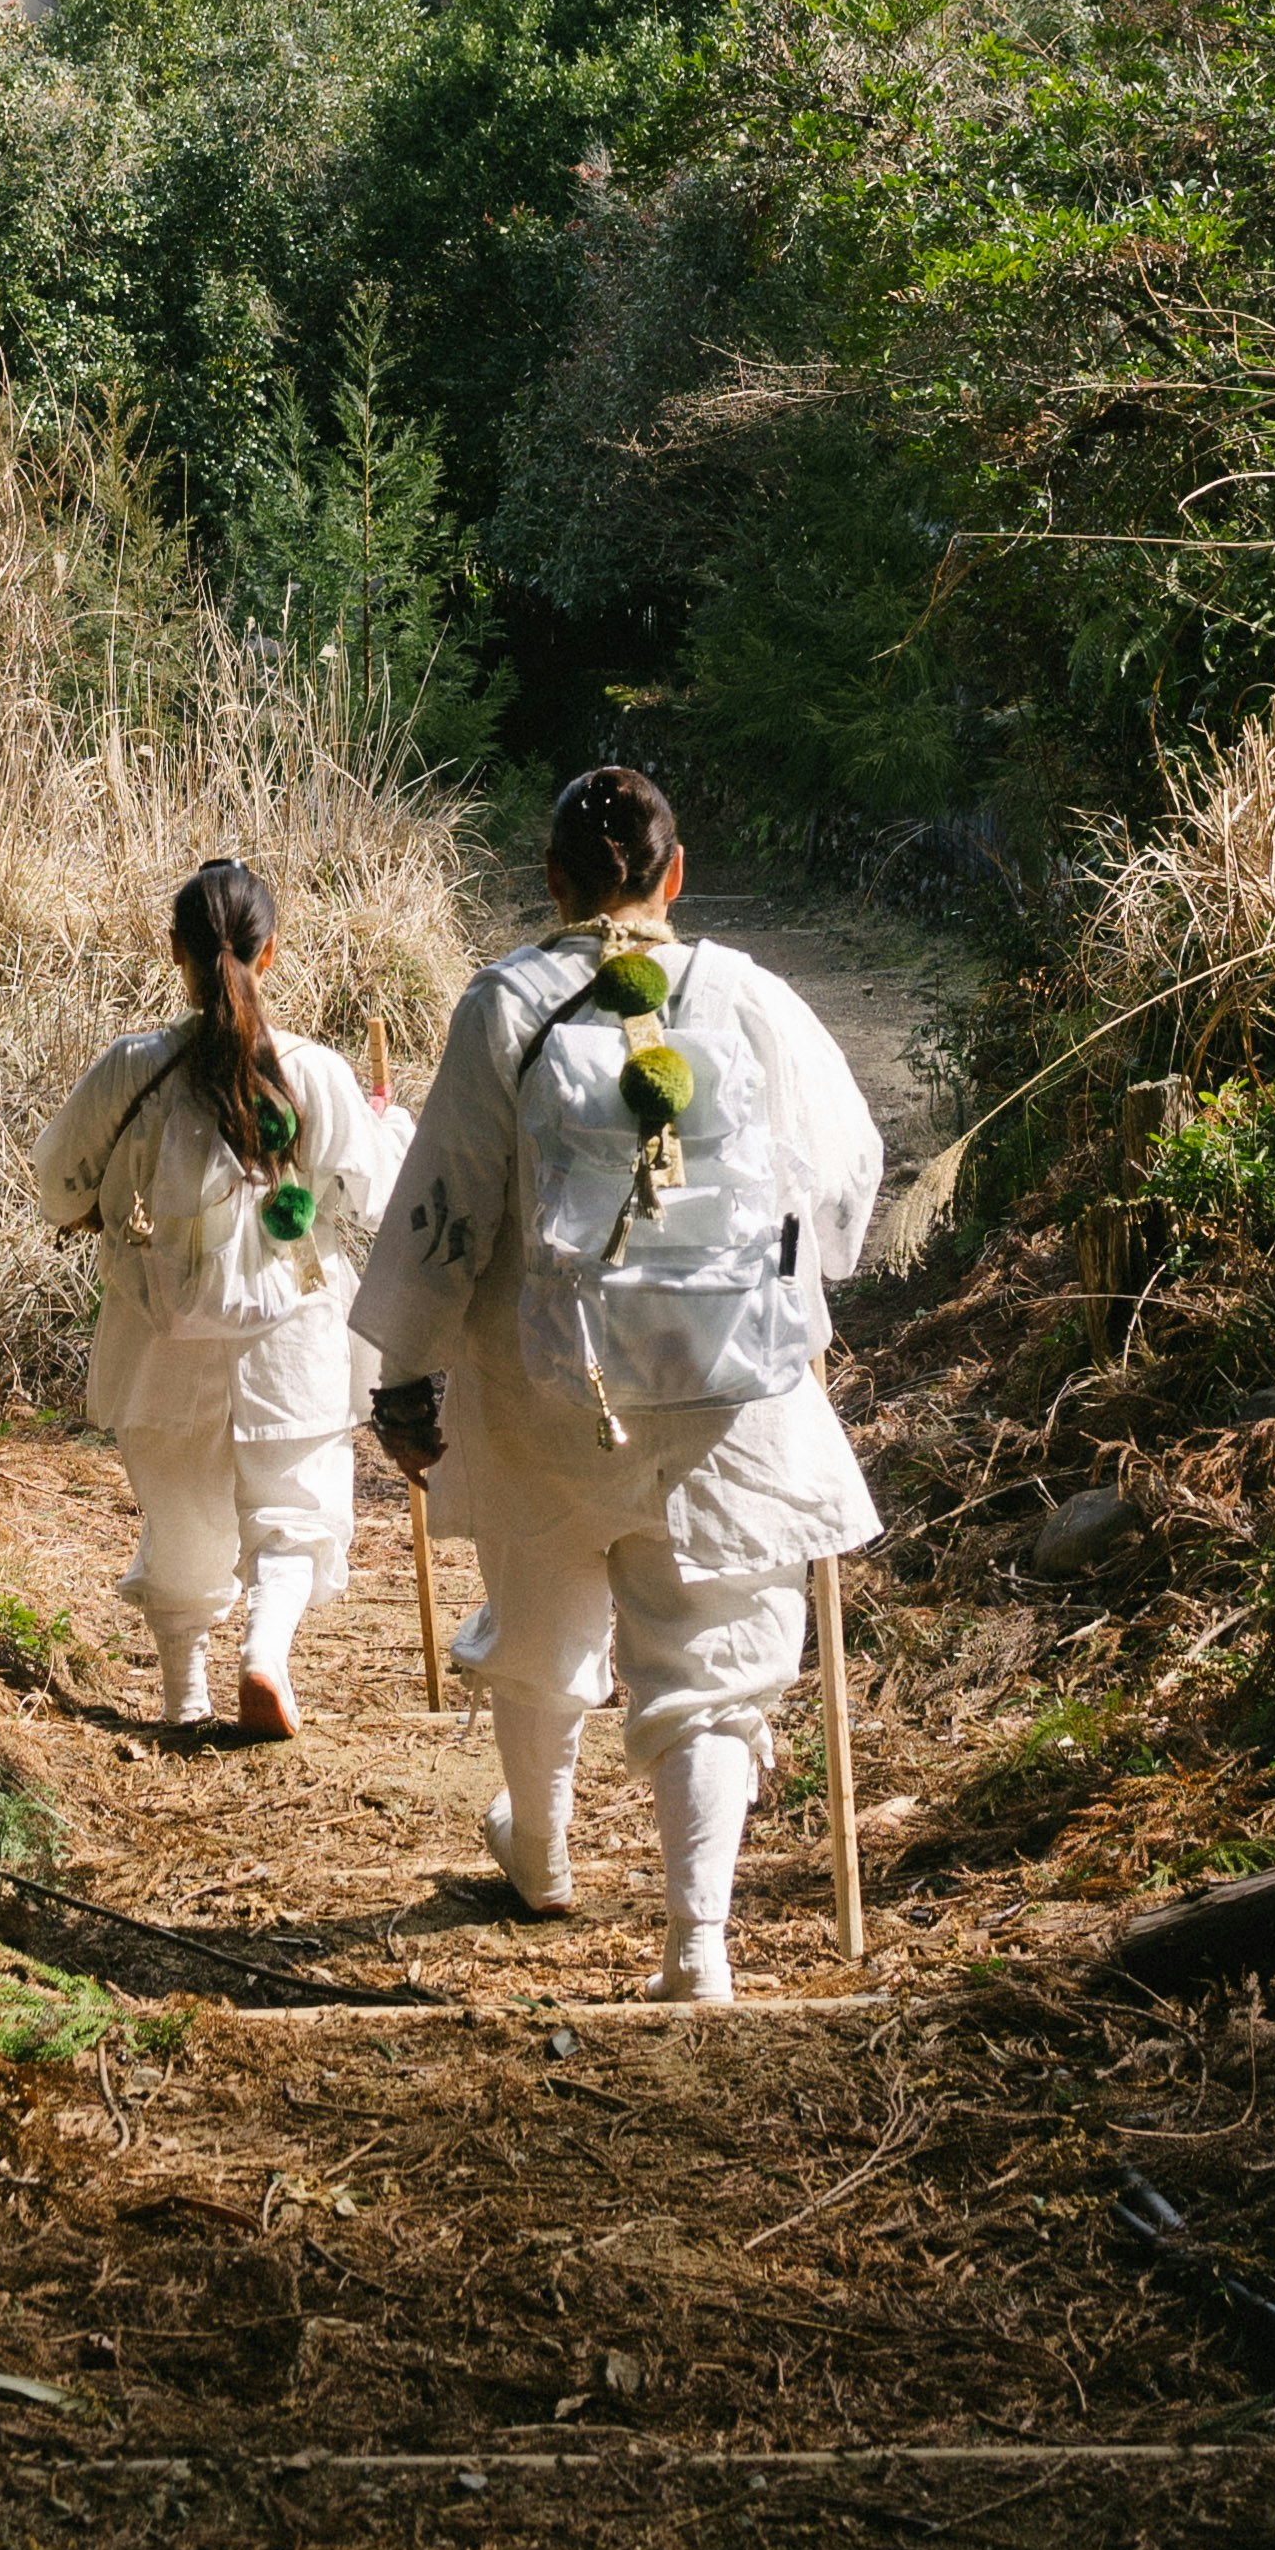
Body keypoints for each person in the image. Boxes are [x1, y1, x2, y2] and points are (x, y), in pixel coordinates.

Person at [352, 764, 883, 2001]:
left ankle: (538, 1855)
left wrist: (405, 1380)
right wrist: (796, 1293)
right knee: (711, 1659)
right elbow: (845, 1165)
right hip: (727, 1393)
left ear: (550, 883)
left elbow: (444, 1208)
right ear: (675, 877)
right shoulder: (748, 994)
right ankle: (696, 1945)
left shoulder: (506, 1004)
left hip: (548, 1393)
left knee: (540, 1634)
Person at [34, 855, 408, 1741]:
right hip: (287, 1330)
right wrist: (387, 1120)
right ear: (268, 953)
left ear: (176, 952)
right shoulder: (310, 1071)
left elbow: (56, 1185)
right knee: (294, 1508)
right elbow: (372, 1197)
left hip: (154, 1334)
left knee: (181, 1514)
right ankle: (265, 1655)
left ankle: (182, 1700)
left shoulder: (129, 1067)